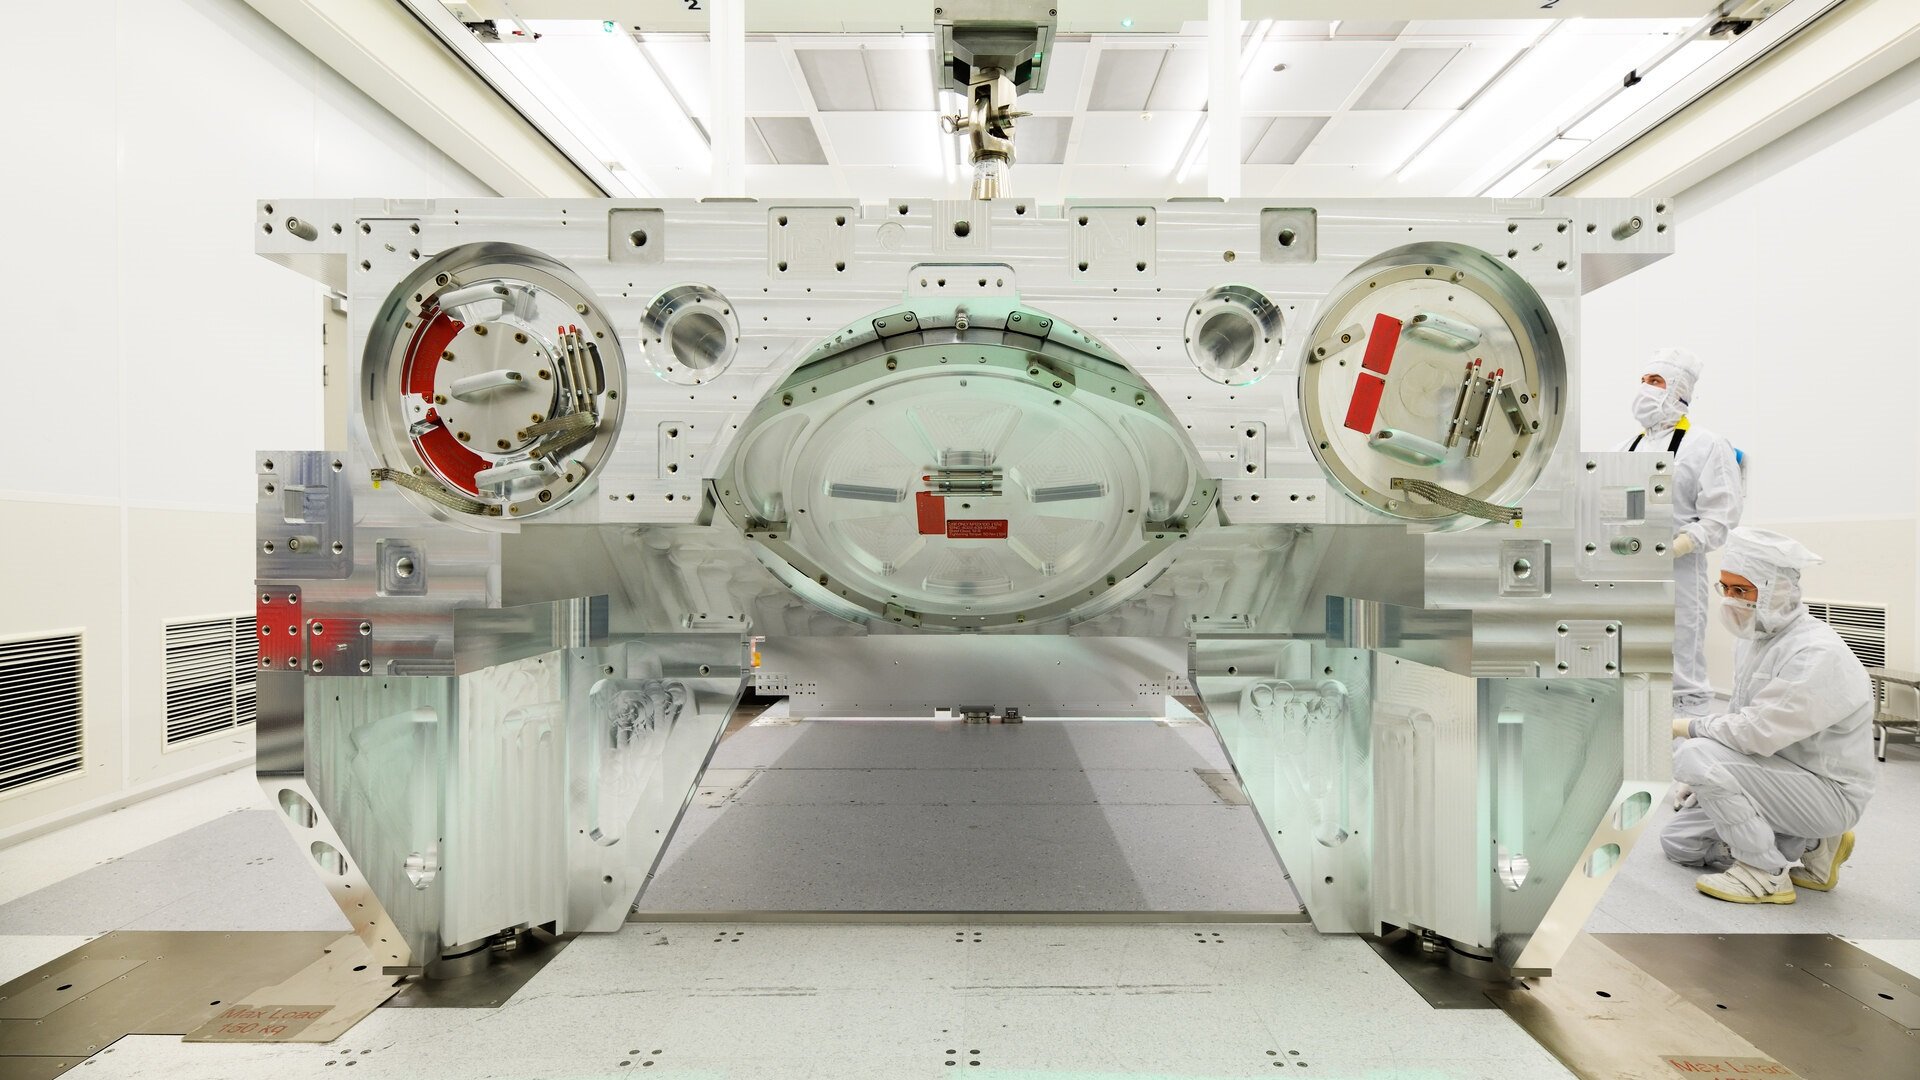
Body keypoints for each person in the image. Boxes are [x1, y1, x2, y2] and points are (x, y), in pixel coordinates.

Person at [1660, 528, 1877, 904]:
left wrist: (1691, 733)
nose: (1731, 600)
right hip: (1779, 777)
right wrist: (1713, 780)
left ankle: (1765, 873)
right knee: (1679, 843)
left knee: (1694, 753)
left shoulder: (1816, 652)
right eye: (1725, 588)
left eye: (1742, 591)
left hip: (1827, 791)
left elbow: (1755, 732)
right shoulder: (1755, 641)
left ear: (1777, 591)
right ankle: (1812, 844)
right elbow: (1740, 717)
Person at [1615, 348, 1743, 717]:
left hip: (1679, 578)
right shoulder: (1625, 448)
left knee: (1679, 671)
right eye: (1643, 381)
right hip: (1627, 574)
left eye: (1655, 382)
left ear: (1678, 392)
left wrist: (1679, 545)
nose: (1645, 389)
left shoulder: (1707, 445)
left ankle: (1685, 760)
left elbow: (1720, 518)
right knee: (1630, 663)